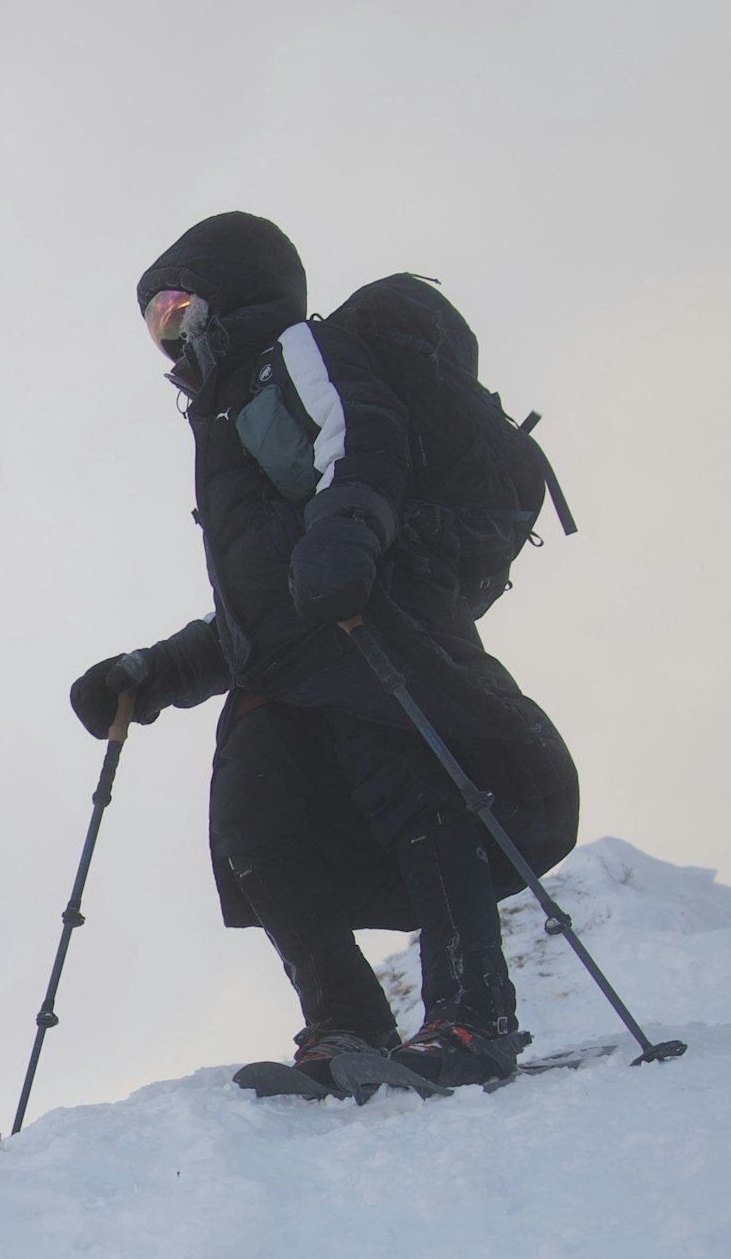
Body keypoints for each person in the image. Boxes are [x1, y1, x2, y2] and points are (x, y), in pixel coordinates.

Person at [68, 211, 578, 1095]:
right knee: (253, 829)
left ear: (236, 292)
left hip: (366, 624)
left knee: (418, 796)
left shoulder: (294, 351)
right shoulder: (224, 419)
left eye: (180, 309)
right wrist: (146, 675)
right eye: (155, 323)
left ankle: (473, 1018)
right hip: (288, 660)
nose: (171, 338)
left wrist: (346, 541)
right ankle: (346, 1024)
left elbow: (363, 437)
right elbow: (249, 611)